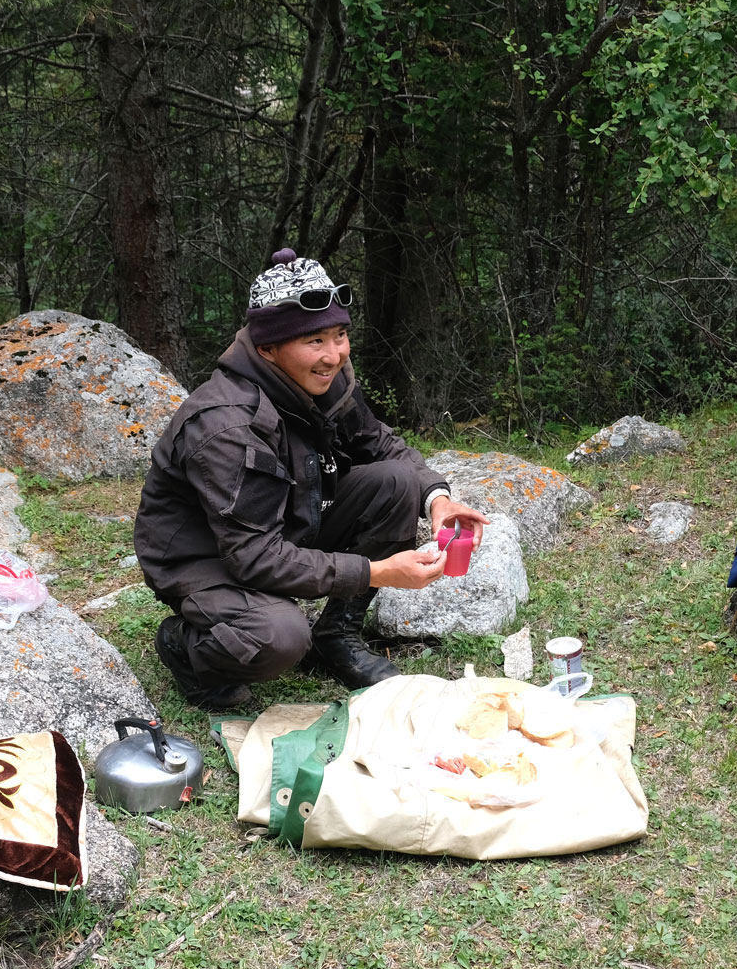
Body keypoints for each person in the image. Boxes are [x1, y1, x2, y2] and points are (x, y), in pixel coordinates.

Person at [134, 248, 489, 709]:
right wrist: (376, 572)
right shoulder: (226, 425)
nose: (334, 355)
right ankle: (186, 645)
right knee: (279, 636)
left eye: (340, 334)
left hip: (287, 522)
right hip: (208, 557)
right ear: (267, 348)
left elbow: (380, 444)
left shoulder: (323, 379)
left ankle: (336, 635)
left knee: (399, 481)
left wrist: (438, 500)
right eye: (314, 340)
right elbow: (254, 557)